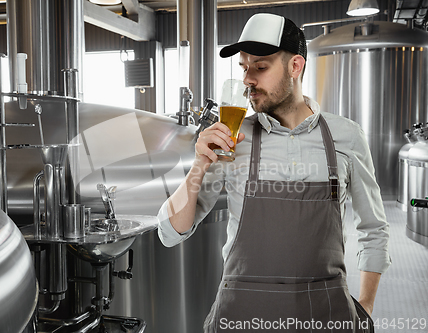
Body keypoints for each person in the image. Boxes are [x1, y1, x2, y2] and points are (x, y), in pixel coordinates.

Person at [157, 13, 390, 332]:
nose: (247, 79)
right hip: (241, 316)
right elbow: (171, 232)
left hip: (325, 314)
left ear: (295, 66)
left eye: (261, 67)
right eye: (243, 67)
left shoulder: (346, 136)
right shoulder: (231, 138)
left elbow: (374, 227)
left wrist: (365, 305)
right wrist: (200, 163)